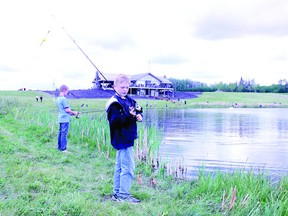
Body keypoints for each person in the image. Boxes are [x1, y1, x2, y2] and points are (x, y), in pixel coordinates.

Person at [106, 74, 143, 204]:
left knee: (120, 167)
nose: (125, 89)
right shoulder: (114, 103)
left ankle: (117, 194)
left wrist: (139, 116)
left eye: (127, 87)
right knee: (127, 168)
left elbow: (139, 109)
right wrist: (129, 116)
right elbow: (114, 122)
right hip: (122, 138)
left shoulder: (129, 99)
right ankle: (123, 195)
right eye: (122, 87)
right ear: (115, 87)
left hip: (128, 137)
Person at [56, 84, 78, 153]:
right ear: (64, 90)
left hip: (60, 118)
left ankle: (59, 147)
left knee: (60, 133)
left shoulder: (58, 99)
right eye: (67, 91)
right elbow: (67, 110)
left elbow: (63, 110)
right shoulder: (64, 99)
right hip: (65, 119)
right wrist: (74, 112)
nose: (67, 93)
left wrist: (72, 114)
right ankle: (64, 149)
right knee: (64, 134)